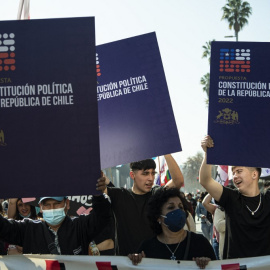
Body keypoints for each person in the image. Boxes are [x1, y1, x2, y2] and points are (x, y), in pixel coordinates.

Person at [96, 154, 184, 256]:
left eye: (153, 173)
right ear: (132, 175)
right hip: (125, 264)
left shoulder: (156, 194)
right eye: (145, 173)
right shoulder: (119, 195)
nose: (150, 178)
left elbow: (178, 181)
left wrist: (166, 152)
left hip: (153, 262)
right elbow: (98, 188)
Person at [200, 135, 270, 259]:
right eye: (233, 173)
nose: (235, 176)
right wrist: (207, 153)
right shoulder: (231, 198)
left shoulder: (267, 199)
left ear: (254, 174)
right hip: (234, 266)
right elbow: (205, 180)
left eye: (239, 171)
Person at [128, 188, 216, 269]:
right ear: (158, 216)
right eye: (171, 207)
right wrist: (135, 261)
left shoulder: (200, 243)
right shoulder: (147, 248)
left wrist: (208, 264)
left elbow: (216, 267)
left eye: (181, 207)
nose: (178, 211)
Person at [0, 195, 112, 255]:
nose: (52, 209)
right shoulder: (29, 229)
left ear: (66, 204)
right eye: (47, 205)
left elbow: (103, 217)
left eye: (57, 204)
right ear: (41, 207)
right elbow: (4, 228)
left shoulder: (80, 226)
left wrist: (98, 196)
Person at [202, 193, 219, 259]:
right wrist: (212, 190)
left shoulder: (235, 207)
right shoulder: (216, 208)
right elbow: (205, 203)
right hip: (218, 241)